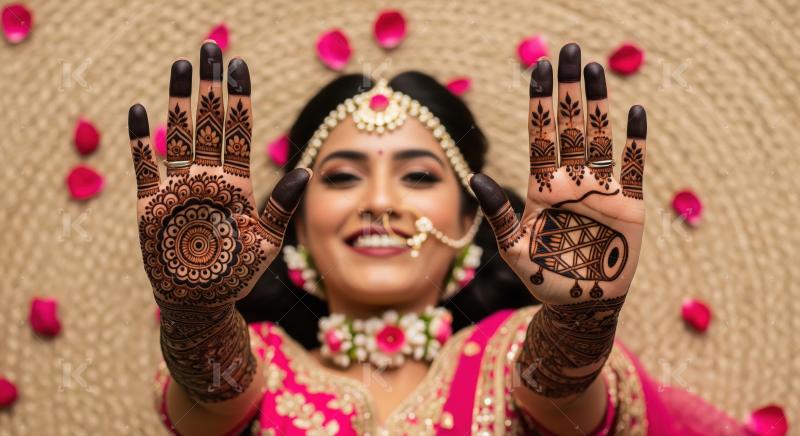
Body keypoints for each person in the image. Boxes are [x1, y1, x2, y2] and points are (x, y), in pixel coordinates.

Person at [127, 40, 745, 435]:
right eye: (342, 177)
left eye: (418, 176)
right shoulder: (256, 369)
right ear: (292, 221)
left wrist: (584, 318)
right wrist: (198, 313)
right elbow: (214, 394)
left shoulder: (510, 360)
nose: (379, 203)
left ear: (469, 218)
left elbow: (561, 391)